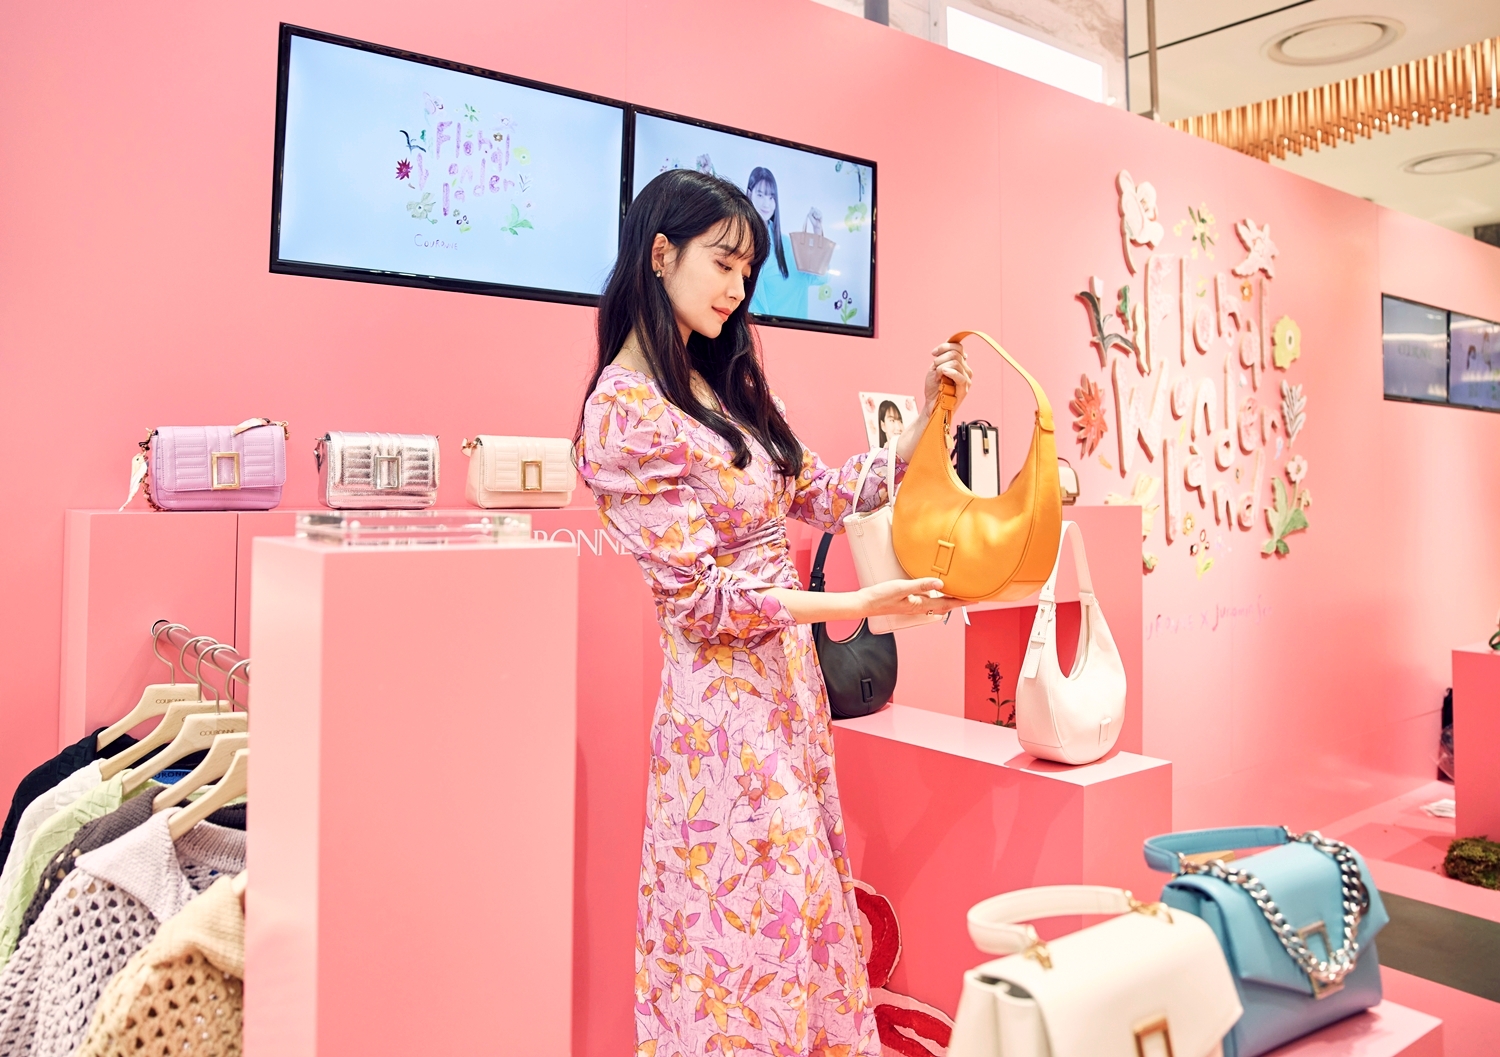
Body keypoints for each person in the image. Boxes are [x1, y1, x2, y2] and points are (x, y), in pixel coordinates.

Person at [575, 168, 971, 1055]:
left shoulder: (722, 382)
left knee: (794, 906)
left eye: (746, 271)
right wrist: (853, 601)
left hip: (784, 691)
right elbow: (699, 600)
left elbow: (824, 492)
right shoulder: (623, 413)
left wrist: (925, 422)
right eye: (723, 263)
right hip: (721, 713)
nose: (737, 287)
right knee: (743, 922)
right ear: (660, 253)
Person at [746, 166, 830, 320]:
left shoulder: (790, 246)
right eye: (760, 195)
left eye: (771, 197)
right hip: (746, 331)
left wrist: (817, 230)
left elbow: (820, 277)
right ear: (750, 194)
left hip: (788, 332)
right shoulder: (739, 241)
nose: (766, 204)